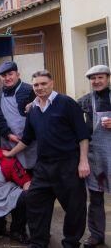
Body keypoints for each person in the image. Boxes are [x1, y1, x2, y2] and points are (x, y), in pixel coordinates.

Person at [4, 70, 90, 248]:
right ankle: (38, 242)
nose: (40, 88)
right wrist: (10, 154)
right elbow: (27, 139)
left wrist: (83, 161)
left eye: (43, 84)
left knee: (75, 208)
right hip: (43, 166)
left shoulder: (66, 103)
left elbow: (82, 135)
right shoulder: (33, 110)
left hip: (68, 164)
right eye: (36, 85)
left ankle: (71, 243)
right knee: (35, 201)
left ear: (52, 83)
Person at [78, 65, 111, 248]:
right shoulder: (85, 101)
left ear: (108, 78)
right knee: (96, 199)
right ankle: (96, 235)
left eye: (100, 77)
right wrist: (34, 103)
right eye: (93, 79)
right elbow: (65, 109)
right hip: (96, 157)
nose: (96, 81)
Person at [0, 62, 37, 170]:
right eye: (4, 76)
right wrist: (7, 134)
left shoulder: (30, 90)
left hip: (28, 143)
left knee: (32, 172)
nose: (7, 78)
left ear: (17, 74)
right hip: (8, 141)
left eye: (10, 74)